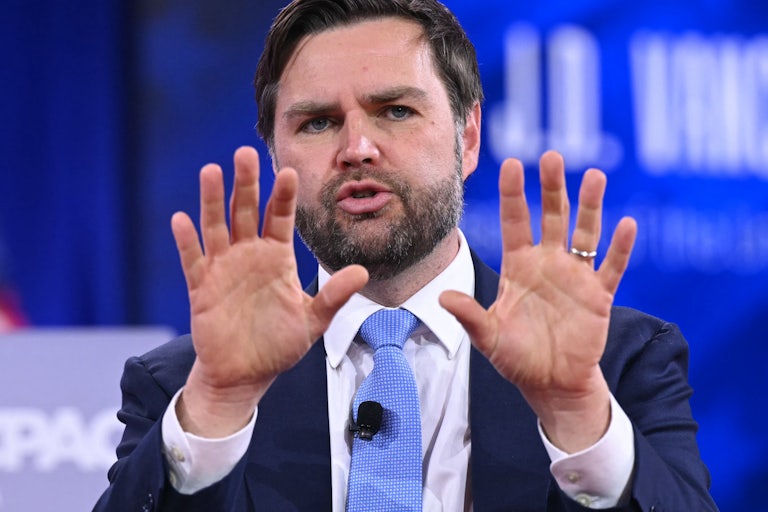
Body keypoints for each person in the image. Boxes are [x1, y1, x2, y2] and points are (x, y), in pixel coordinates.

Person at [94, 0, 718, 510]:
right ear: (276, 155)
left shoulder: (617, 364)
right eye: (317, 122)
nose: (357, 148)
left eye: (395, 111)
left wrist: (574, 412)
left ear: (467, 136)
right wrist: (219, 406)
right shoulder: (183, 387)